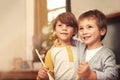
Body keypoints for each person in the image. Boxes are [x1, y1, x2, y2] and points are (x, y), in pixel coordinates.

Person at [77, 9, 118, 80]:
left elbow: (113, 76)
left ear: (102, 31)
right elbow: (68, 41)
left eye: (89, 27)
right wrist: (57, 42)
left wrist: (90, 75)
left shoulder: (107, 54)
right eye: (81, 28)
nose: (84, 32)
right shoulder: (80, 46)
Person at [37, 12, 79, 80]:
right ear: (55, 30)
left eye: (68, 25)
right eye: (60, 25)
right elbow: (48, 75)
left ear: (74, 31)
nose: (64, 28)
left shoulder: (81, 49)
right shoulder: (51, 52)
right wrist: (42, 76)